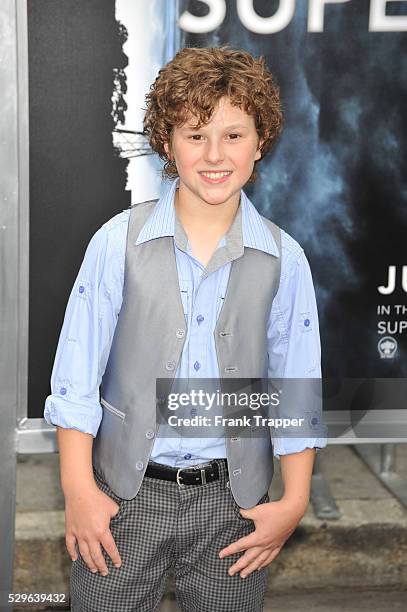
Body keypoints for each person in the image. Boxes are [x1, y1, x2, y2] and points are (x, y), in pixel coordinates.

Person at [44, 45, 327, 612]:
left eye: (233, 134)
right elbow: (76, 377)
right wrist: (79, 490)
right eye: (195, 135)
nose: (214, 154)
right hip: (124, 496)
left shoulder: (283, 257)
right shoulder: (116, 242)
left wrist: (293, 502)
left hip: (234, 505)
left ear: (260, 140)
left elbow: (295, 383)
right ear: (167, 143)